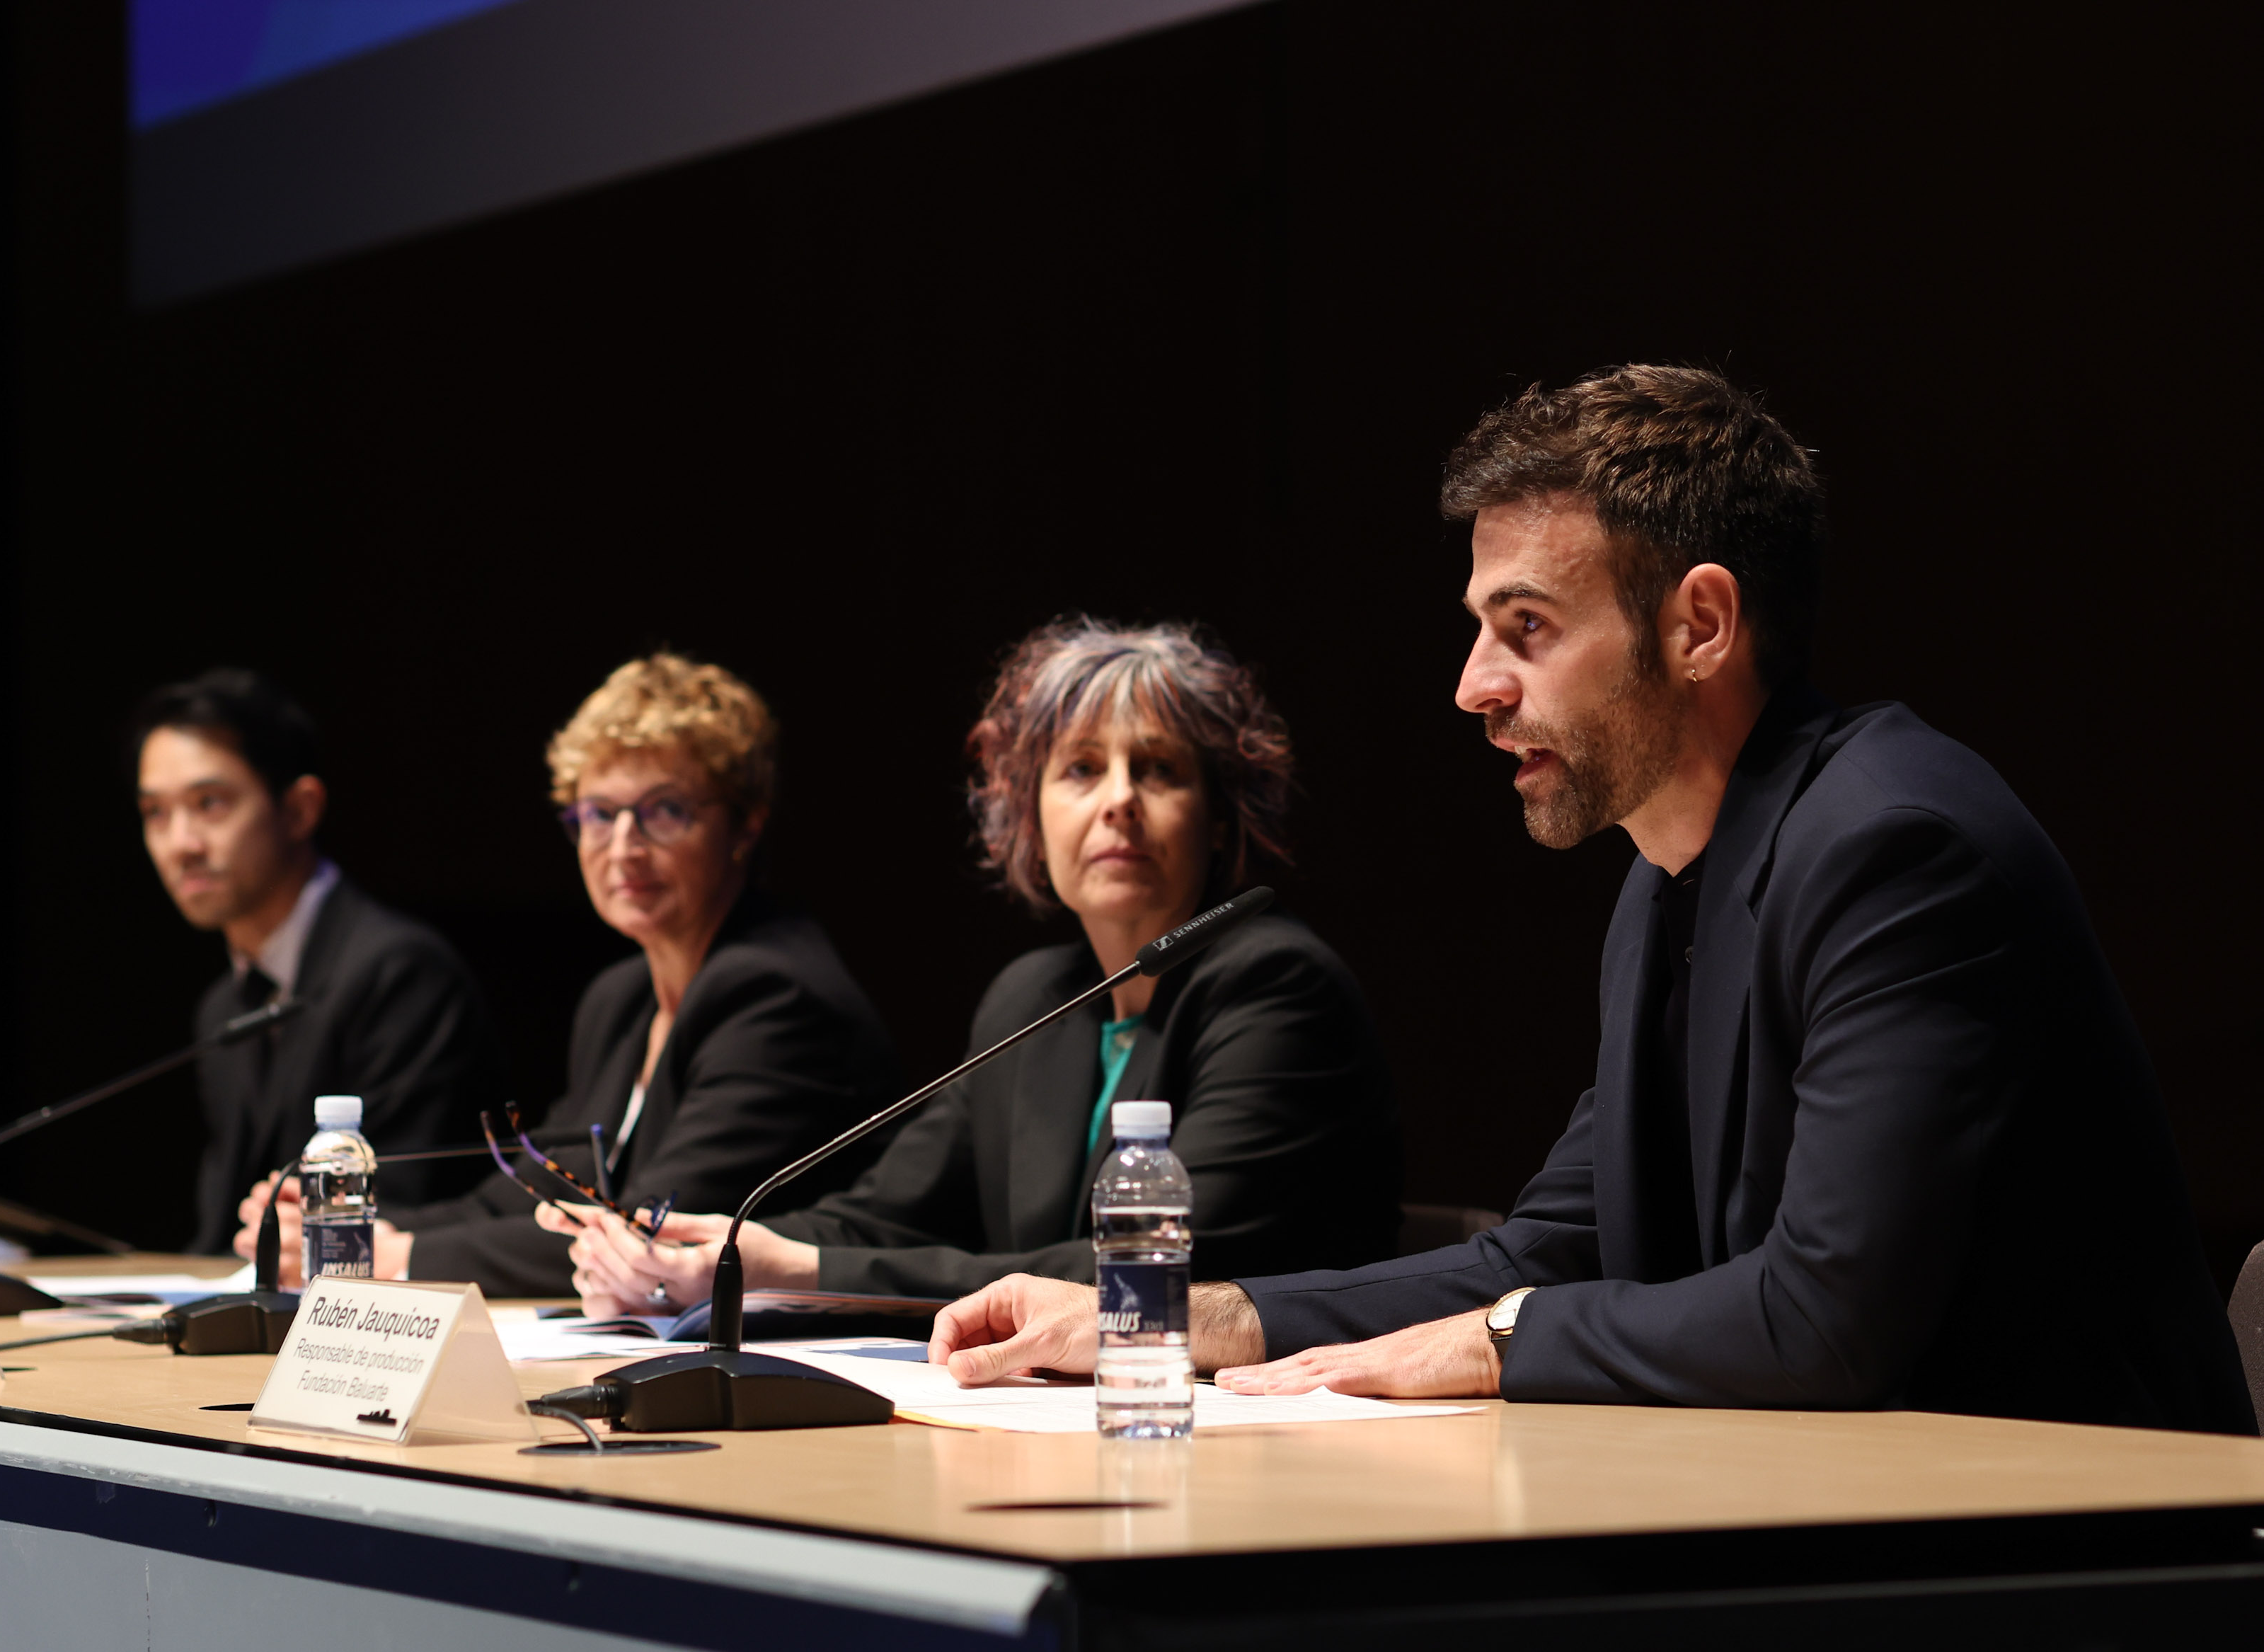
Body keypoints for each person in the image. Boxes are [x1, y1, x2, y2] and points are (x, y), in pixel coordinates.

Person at [928, 367, 2256, 1435]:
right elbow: (1553, 1248)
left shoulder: (1896, 849)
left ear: (1700, 625)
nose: (1473, 686)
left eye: (1527, 627)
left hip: (2096, 1545)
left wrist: (1495, 1343)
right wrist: (1185, 1314)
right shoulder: (1665, 887)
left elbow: (1826, 1314)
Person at [546, 619, 1399, 1312]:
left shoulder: (1272, 986)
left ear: (1217, 818)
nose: (1118, 801)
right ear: (1031, 814)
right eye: (1080, 770)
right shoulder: (1035, 998)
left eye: (1159, 771)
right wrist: (721, 1250)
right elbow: (885, 1213)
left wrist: (800, 1271)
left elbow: (1147, 1266)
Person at [236, 653, 902, 1295]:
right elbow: (530, 1192)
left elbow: (649, 1233)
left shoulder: (776, 995)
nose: (623, 847)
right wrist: (349, 1224)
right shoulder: (621, 1000)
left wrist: (394, 1256)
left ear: (744, 826)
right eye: (599, 814)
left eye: (664, 810)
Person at [134, 668, 504, 1253]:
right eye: (156, 813)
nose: (181, 843)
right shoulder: (223, 1006)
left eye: (210, 804)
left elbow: (405, 1204)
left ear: (300, 810)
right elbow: (217, 1232)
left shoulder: (399, 973)